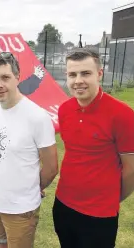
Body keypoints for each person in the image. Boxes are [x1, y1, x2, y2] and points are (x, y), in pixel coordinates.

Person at [53, 48, 134, 248]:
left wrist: (110, 198)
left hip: (100, 215)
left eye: (85, 73)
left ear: (99, 74)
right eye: (72, 74)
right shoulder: (64, 110)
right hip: (63, 205)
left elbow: (131, 170)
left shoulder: (122, 114)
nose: (78, 80)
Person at [0, 52, 58, 248]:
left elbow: (51, 167)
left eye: (5, 77)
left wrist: (32, 189)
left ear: (17, 77)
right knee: (1, 244)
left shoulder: (37, 117)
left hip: (20, 209)